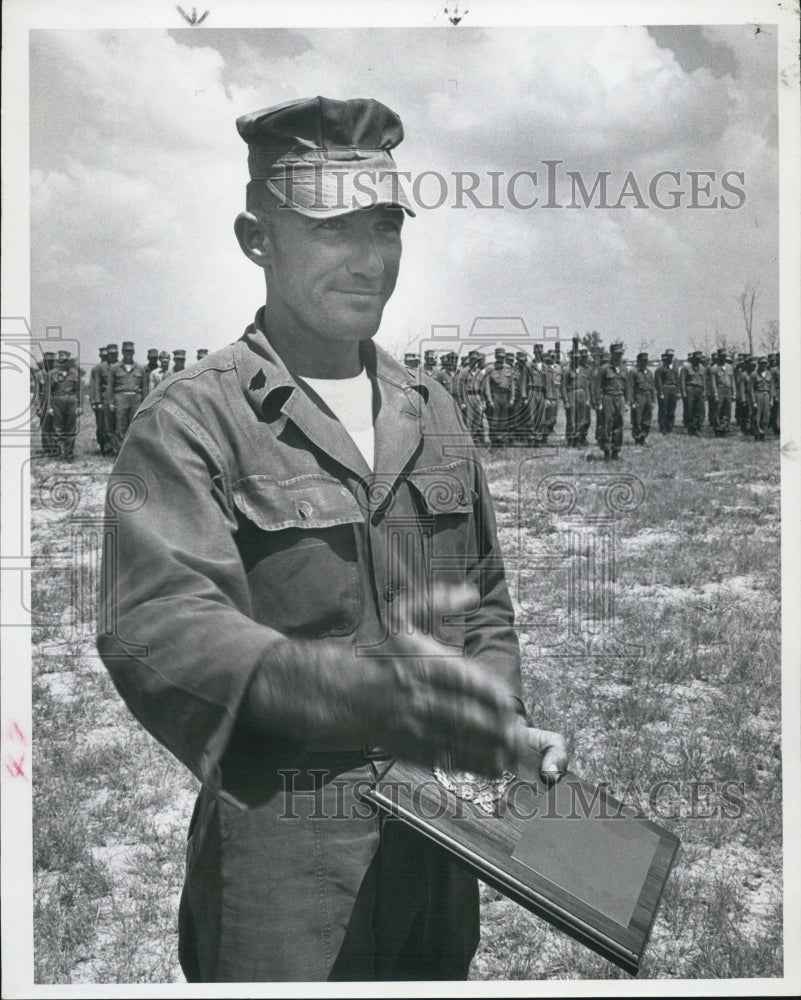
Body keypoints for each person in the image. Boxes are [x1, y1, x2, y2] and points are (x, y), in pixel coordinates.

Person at [97, 95, 567, 984]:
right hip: (286, 856)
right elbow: (157, 625)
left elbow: (485, 599)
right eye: (330, 227)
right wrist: (359, 699)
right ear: (255, 237)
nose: (368, 258)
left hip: (436, 845)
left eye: (384, 224)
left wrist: (495, 722)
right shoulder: (194, 420)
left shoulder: (432, 409)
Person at [47, 348, 82, 461]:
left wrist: (80, 406)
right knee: (58, 428)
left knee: (71, 429)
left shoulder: (75, 374)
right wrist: (49, 407)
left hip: (71, 401)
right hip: (57, 400)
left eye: (65, 360)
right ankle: (59, 453)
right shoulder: (51, 374)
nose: (62, 362)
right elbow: (48, 393)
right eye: (60, 360)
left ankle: (69, 453)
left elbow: (79, 391)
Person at [594, 341, 627, 460]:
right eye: (617, 354)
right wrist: (599, 402)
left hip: (620, 398)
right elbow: (597, 386)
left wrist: (627, 402)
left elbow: (626, 386)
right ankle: (607, 451)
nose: (619, 356)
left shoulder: (624, 368)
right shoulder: (604, 368)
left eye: (621, 354)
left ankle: (616, 451)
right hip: (608, 398)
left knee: (619, 424)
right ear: (612, 354)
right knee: (607, 424)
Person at [627, 352, 656, 446]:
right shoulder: (633, 372)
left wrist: (653, 401)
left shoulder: (649, 372)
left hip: (648, 396)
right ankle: (637, 439)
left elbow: (652, 387)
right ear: (638, 361)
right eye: (643, 360)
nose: (645, 362)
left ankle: (643, 437)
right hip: (638, 396)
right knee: (637, 419)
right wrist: (632, 401)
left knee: (647, 418)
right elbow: (630, 387)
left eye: (646, 360)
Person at [89, 346, 112, 454]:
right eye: (103, 355)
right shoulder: (97, 368)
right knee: (101, 425)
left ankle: (111, 445)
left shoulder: (114, 367)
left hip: (112, 400)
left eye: (106, 355)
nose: (105, 357)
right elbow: (94, 386)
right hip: (101, 400)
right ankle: (103, 445)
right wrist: (94, 401)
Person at [680, 350, 706, 437]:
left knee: (698, 410)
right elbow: (682, 380)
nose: (698, 360)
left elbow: (704, 380)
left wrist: (704, 391)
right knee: (689, 409)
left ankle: (697, 427)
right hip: (690, 389)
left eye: (700, 359)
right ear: (693, 359)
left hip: (699, 389)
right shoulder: (686, 367)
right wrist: (683, 392)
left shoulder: (702, 368)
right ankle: (690, 428)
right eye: (696, 359)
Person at [749, 356, 774, 441]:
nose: (763, 365)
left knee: (765, 415)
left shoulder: (769, 374)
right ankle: (757, 434)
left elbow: (771, 387)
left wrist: (771, 400)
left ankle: (763, 433)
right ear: (758, 364)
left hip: (766, 395)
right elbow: (751, 389)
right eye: (762, 363)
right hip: (757, 395)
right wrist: (753, 401)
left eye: (765, 363)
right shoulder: (754, 374)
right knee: (757, 416)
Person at [654, 350, 679, 434]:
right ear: (666, 356)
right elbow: (658, 381)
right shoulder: (661, 368)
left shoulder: (675, 367)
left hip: (673, 389)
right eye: (669, 356)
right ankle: (663, 427)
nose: (670, 357)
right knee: (663, 409)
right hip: (665, 389)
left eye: (672, 356)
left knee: (672, 409)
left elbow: (677, 380)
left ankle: (670, 426)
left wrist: (678, 391)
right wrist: (660, 392)